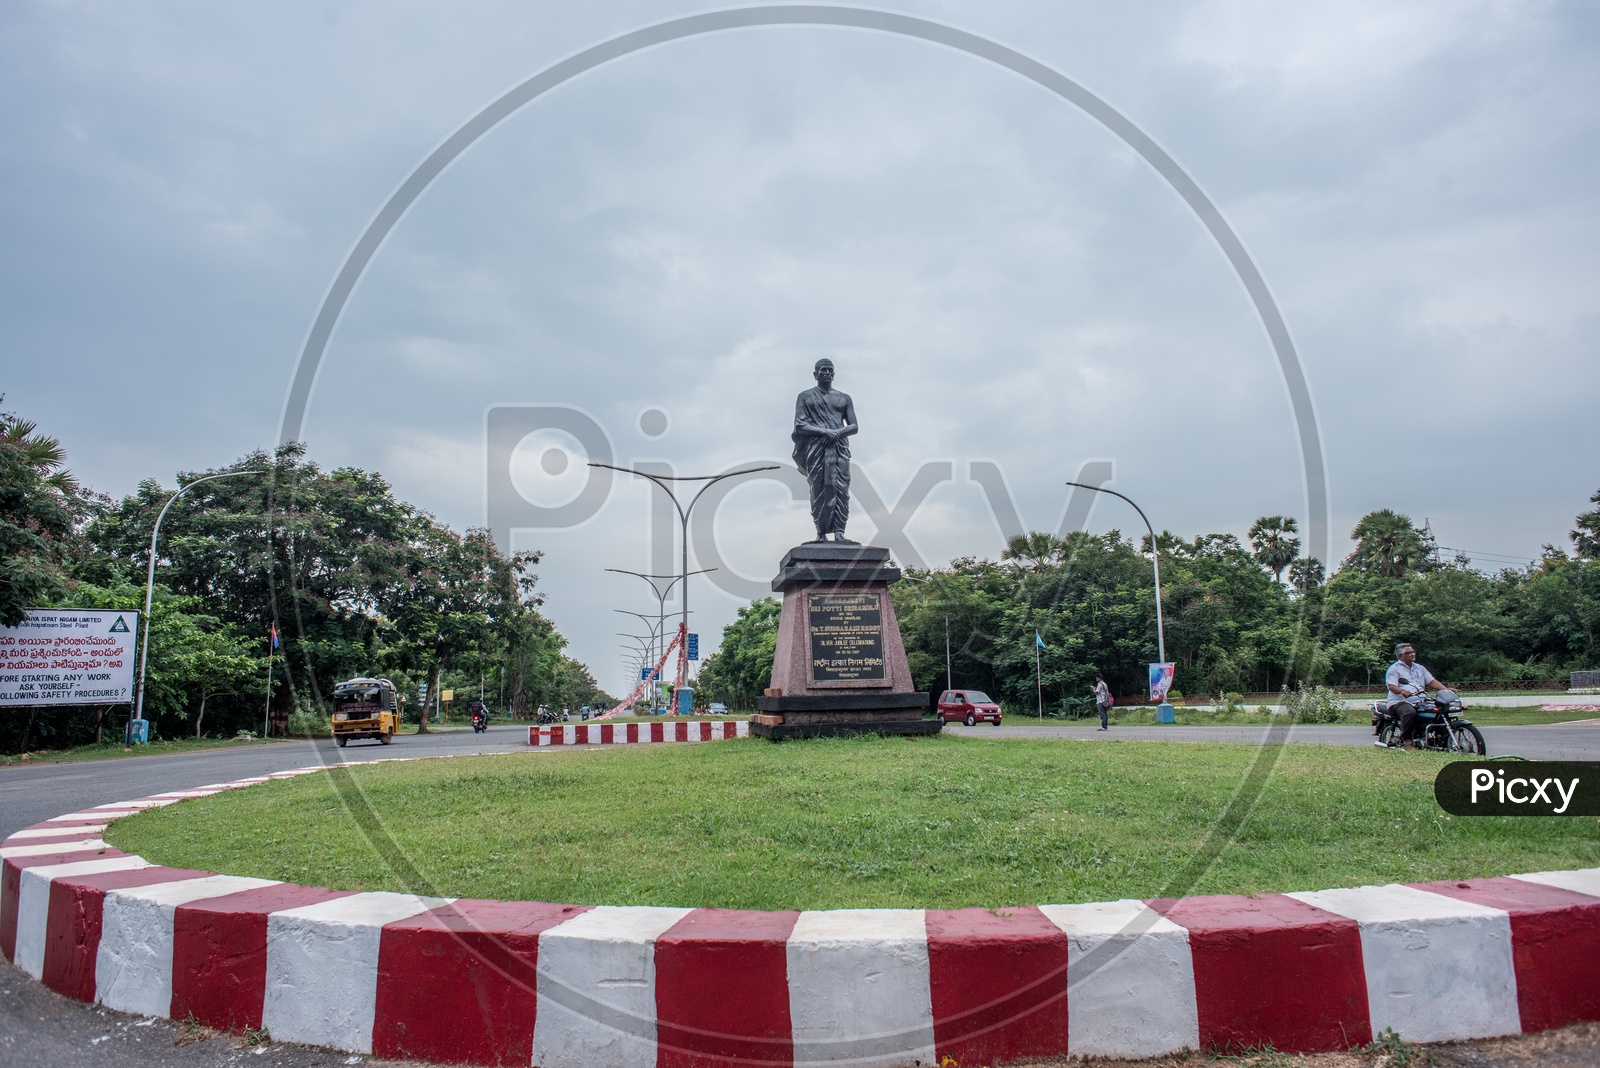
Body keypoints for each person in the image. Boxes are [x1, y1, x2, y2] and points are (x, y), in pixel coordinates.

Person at [792, 358, 859, 542]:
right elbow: (800, 425)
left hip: (838, 449)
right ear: (815, 374)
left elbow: (854, 426)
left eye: (830, 370)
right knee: (819, 488)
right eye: (823, 370)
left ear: (834, 375)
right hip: (817, 449)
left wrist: (837, 433)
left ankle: (839, 530)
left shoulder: (844, 398)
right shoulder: (805, 397)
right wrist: (823, 432)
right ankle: (821, 533)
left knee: (841, 488)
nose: (827, 373)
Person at [1384, 642, 1446, 748]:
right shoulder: (1394, 669)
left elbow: (1431, 681)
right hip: (1399, 702)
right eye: (1408, 653)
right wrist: (1402, 691)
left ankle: (1439, 739)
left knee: (1440, 710)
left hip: (1420, 701)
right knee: (1409, 712)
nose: (1412, 654)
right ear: (1400, 656)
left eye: (1413, 652)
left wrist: (1446, 690)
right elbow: (1391, 686)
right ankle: (1407, 741)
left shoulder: (1419, 668)